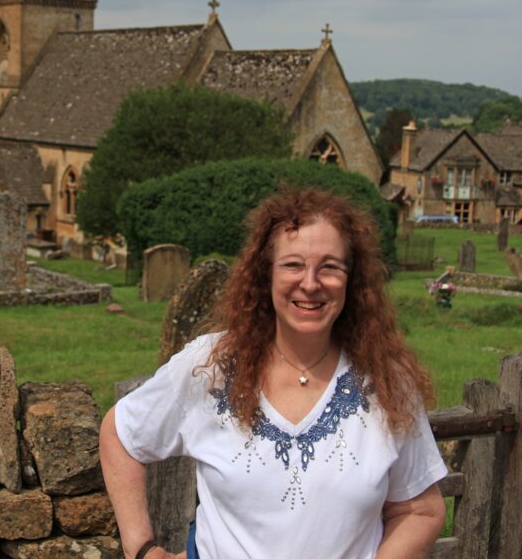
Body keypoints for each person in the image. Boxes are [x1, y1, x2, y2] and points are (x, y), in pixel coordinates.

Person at [100, 187, 448, 559]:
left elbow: (420, 510)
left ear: (352, 279)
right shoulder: (211, 367)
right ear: (265, 275)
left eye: (330, 266)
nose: (311, 283)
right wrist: (142, 549)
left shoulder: (386, 380)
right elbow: (120, 434)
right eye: (293, 265)